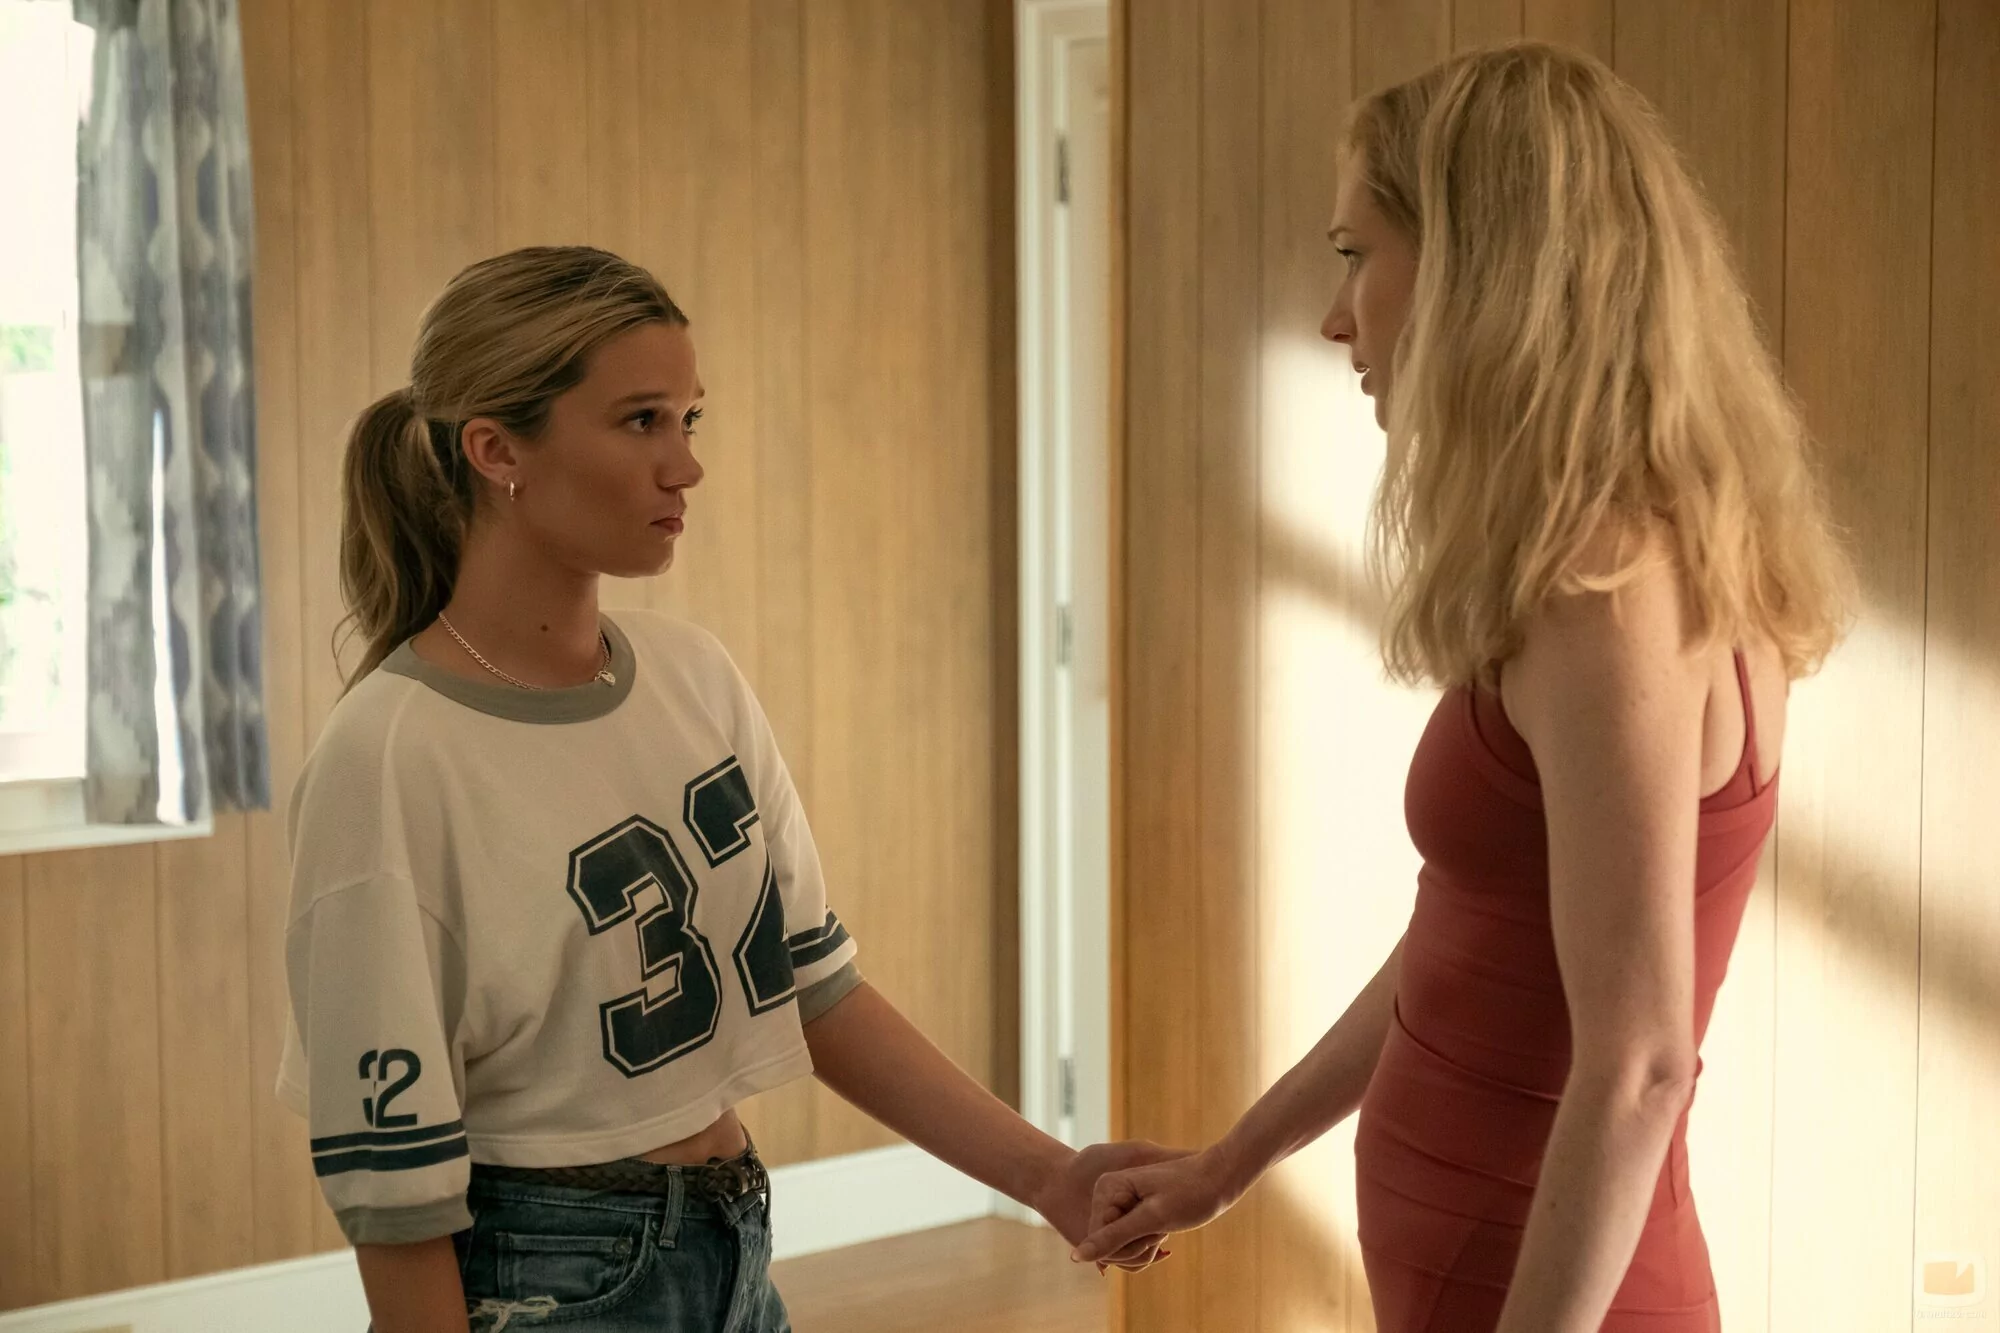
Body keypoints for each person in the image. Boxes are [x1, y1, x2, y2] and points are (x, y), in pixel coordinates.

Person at [1070, 41, 1855, 1333]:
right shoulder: (1609, 557)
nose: (1336, 316)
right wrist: (1227, 1165)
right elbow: (1462, 948)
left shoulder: (1610, 583)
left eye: (1354, 254)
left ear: (1478, 269)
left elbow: (1641, 1064)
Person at [274, 245, 1175, 1333]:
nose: (685, 466)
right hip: (550, 1280)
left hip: (733, 1249)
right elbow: (393, 1182)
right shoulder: (387, 756)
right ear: (496, 448)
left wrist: (1050, 1175)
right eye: (641, 421)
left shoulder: (693, 676)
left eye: (688, 419)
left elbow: (816, 990)